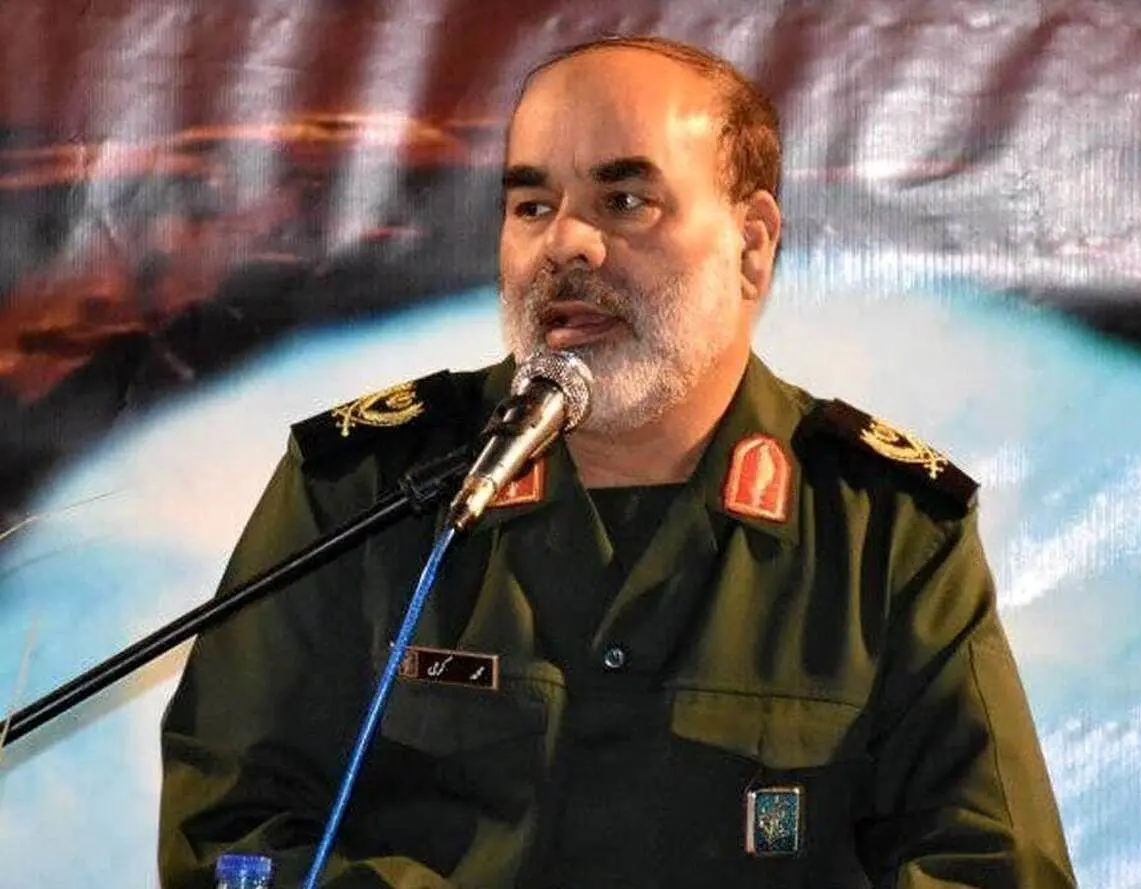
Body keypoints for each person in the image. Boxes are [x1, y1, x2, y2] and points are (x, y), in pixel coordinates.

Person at [159, 35, 1077, 889]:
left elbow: (992, 867)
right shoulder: (364, 489)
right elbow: (233, 835)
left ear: (752, 246)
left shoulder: (885, 530)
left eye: (625, 201)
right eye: (532, 206)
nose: (565, 242)